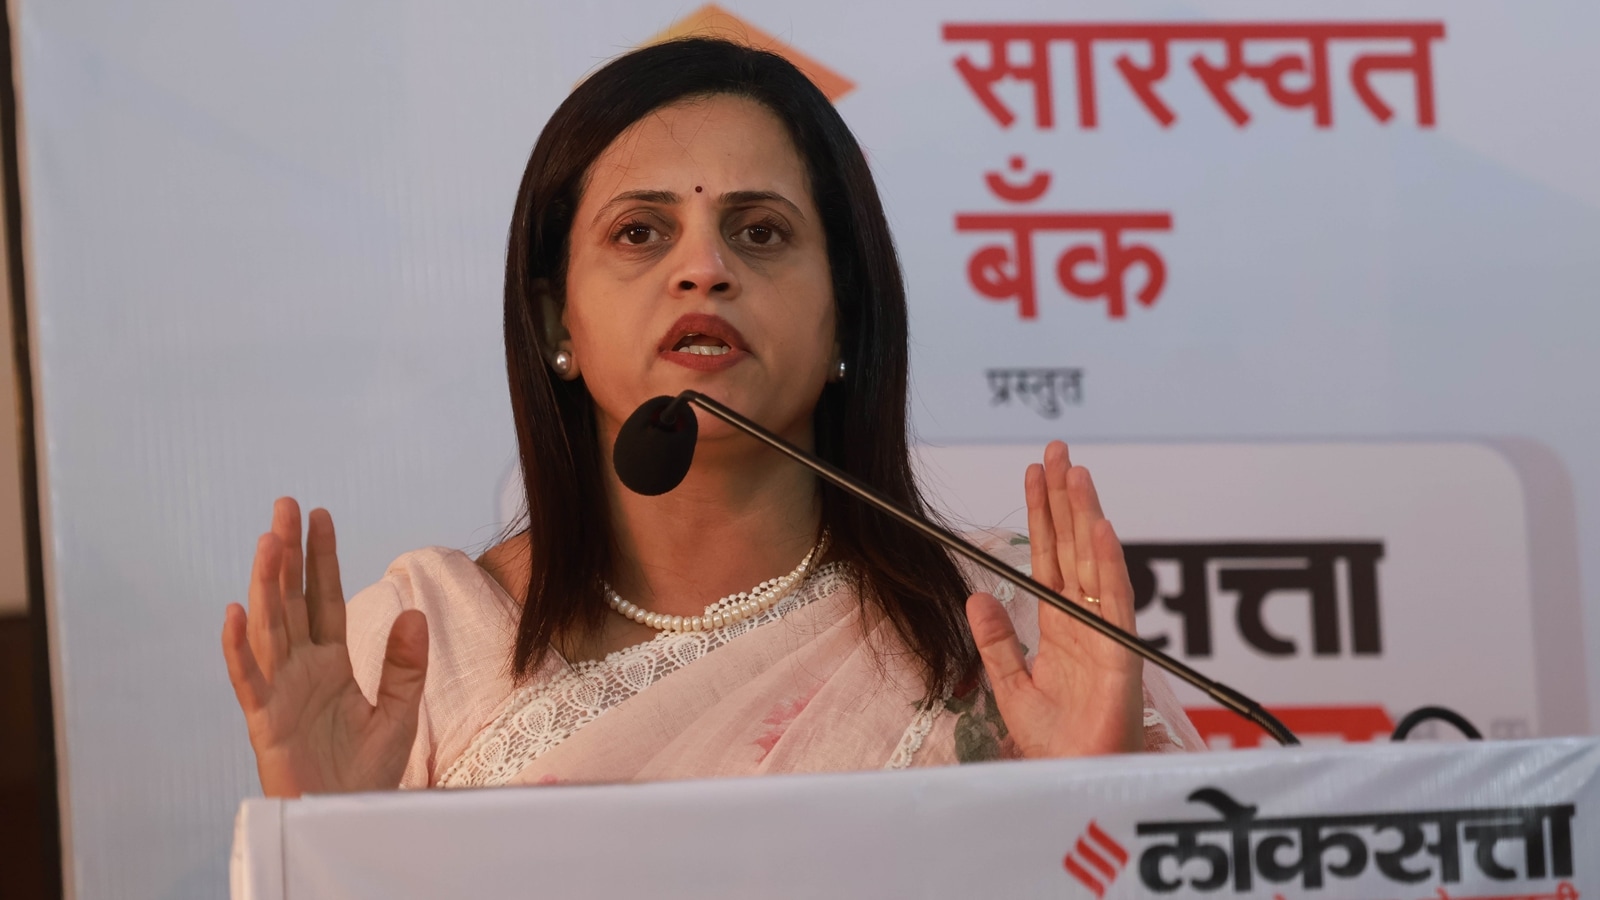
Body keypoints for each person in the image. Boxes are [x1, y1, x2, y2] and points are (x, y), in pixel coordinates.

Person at [220, 37, 1200, 798]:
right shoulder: (416, 651)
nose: (703, 269)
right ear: (558, 322)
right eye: (640, 232)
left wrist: (1093, 803)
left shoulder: (1009, 631)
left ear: (843, 317)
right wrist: (322, 843)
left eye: (760, 231)